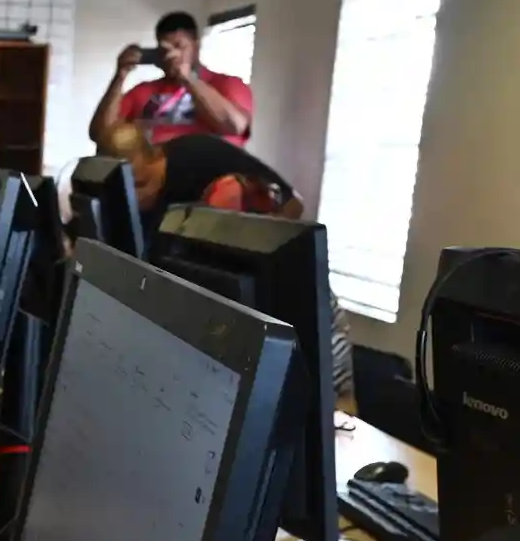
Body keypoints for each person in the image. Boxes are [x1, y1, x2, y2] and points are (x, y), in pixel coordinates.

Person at [93, 123, 353, 400]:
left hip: (299, 313)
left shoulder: (202, 157)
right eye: (127, 189)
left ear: (157, 157)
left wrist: (262, 245)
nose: (138, 197)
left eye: (142, 183)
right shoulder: (127, 207)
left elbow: (293, 204)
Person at [91, 11, 254, 148]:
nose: (171, 55)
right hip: (151, 178)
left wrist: (187, 78)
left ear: (196, 46)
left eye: (180, 46)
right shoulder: (143, 91)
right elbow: (100, 135)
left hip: (208, 179)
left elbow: (234, 126)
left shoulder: (228, 84)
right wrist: (120, 75)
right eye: (165, 49)